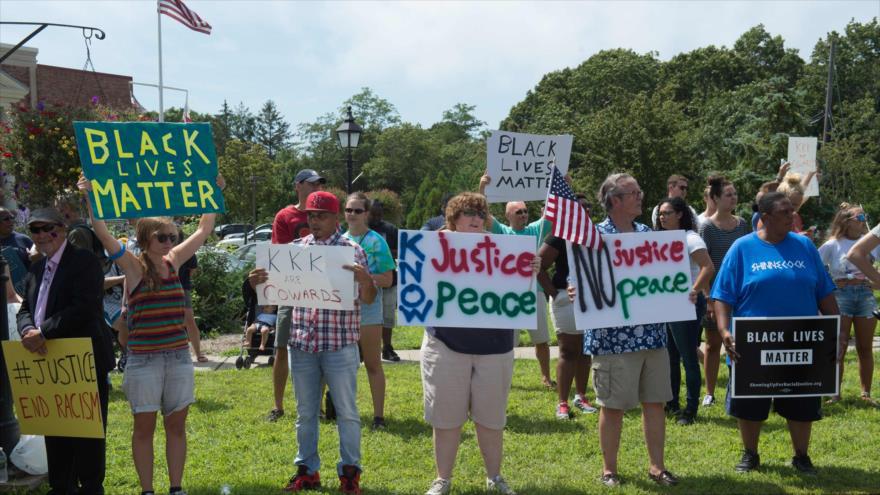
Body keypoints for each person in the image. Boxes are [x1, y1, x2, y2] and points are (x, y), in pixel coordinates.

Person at [78, 175, 221, 495]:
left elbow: (203, 229)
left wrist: (213, 190)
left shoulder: (175, 261)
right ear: (145, 239)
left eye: (172, 235)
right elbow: (101, 232)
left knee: (176, 426)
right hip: (144, 360)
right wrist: (90, 195)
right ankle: (147, 490)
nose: (170, 241)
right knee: (144, 428)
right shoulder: (133, 266)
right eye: (162, 236)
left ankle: (175, 488)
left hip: (178, 357)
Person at [712, 191, 838, 475]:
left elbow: (824, 291)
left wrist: (836, 328)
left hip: (801, 343)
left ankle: (801, 456)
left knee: (802, 401)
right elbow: (723, 295)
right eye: (784, 212)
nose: (791, 216)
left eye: (792, 211)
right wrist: (723, 330)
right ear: (765, 218)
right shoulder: (742, 248)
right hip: (753, 343)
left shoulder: (805, 246)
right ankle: (751, 454)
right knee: (750, 404)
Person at [423, 192, 534, 495]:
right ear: (453, 219)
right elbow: (418, 259)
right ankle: (442, 479)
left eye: (480, 213)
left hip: (495, 347)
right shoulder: (435, 243)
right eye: (467, 213)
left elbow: (517, 295)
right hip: (445, 344)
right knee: (446, 417)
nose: (475, 218)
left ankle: (495, 477)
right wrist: (446, 237)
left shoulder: (504, 250)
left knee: (491, 417)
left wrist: (528, 270)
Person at [267, 190, 375, 494]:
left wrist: (365, 280)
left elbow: (368, 299)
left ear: (335, 217)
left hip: (340, 344)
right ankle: (306, 470)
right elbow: (277, 292)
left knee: (347, 412)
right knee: (305, 412)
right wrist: (261, 283)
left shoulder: (351, 251)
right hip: (302, 343)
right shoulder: (295, 250)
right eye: (311, 215)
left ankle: (350, 473)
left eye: (321, 215)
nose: (314, 221)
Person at [573, 173, 677, 487]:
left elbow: (662, 279)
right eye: (634, 192)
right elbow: (582, 281)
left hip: (652, 336)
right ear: (615, 200)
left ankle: (657, 467)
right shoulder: (592, 237)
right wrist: (575, 290)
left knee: (655, 402)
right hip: (611, 340)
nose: (640, 196)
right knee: (613, 406)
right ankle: (609, 470)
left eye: (639, 191)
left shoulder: (648, 234)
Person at [16, 207, 114, 495]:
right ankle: (61, 486)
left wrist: (43, 331)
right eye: (36, 229)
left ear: (63, 229)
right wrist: (26, 330)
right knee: (55, 431)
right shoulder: (35, 269)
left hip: (82, 360)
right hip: (48, 364)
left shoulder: (84, 261)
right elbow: (25, 308)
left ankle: (91, 487)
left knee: (86, 433)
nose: (44, 235)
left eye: (50, 229)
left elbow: (84, 306)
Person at [479, 174, 555, 390]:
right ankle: (505, 379)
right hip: (509, 294)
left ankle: (546, 377)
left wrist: (563, 184)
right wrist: (483, 186)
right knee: (507, 342)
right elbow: (481, 212)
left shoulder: (536, 230)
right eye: (518, 212)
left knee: (541, 339)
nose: (523, 215)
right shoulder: (501, 231)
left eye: (525, 211)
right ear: (508, 216)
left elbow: (552, 209)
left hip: (535, 291)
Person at [268, 168, 326, 422]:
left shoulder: (326, 216)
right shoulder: (285, 216)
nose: (316, 188)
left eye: (319, 185)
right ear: (298, 186)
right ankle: (278, 406)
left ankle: (318, 406)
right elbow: (279, 254)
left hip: (319, 292)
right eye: (312, 184)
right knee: (281, 347)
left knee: (320, 348)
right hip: (291, 291)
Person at [655, 197, 715, 425]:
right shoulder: (660, 239)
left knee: (688, 357)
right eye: (661, 213)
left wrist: (695, 289)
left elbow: (708, 267)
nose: (662, 217)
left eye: (667, 213)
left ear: (680, 214)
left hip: (686, 304)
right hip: (666, 303)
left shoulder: (690, 238)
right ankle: (672, 403)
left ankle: (690, 408)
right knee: (669, 356)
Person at [537, 194, 597, 420]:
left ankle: (581, 396)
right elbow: (539, 265)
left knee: (585, 350)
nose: (584, 211)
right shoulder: (559, 236)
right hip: (566, 298)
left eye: (587, 207)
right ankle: (562, 402)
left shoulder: (594, 235)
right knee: (568, 350)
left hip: (591, 299)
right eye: (579, 208)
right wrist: (554, 293)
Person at [343, 192, 396, 429]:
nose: (352, 215)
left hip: (369, 308)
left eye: (357, 210)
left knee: (373, 364)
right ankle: (336, 410)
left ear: (367, 214)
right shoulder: (339, 241)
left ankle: (378, 417)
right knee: (341, 365)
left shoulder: (377, 241)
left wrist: (365, 278)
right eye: (348, 210)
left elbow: (388, 279)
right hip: (342, 310)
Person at [819, 204, 879, 405]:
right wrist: (832, 283)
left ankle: (866, 393)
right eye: (859, 218)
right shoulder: (832, 244)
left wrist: (874, 281)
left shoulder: (871, 243)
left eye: (864, 218)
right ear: (846, 222)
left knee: (865, 347)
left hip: (865, 295)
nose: (863, 222)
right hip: (841, 296)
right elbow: (816, 268)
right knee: (839, 345)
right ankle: (834, 393)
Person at [699, 175, 750, 407]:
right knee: (713, 343)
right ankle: (709, 392)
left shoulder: (742, 224)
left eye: (735, 194)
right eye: (728, 195)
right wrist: (708, 298)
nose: (733, 198)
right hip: (716, 294)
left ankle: (740, 384)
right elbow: (703, 264)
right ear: (715, 198)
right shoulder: (706, 228)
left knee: (740, 341)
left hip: (741, 294)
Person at [366, 199, 401, 362]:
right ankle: (362, 347)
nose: (377, 217)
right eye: (374, 214)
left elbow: (401, 250)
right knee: (366, 316)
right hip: (365, 281)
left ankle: (387, 347)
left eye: (380, 214)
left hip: (388, 281)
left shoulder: (390, 229)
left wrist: (383, 251)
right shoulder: (360, 229)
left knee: (387, 317)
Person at [176, 229, 206, 362]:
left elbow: (193, 269)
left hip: (182, 288)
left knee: (189, 320)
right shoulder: (161, 250)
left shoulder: (187, 251)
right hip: (165, 289)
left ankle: (198, 353)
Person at [0, 205, 33, 296]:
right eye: (6, 219)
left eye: (12, 217)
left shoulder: (24, 239)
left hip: (27, 292)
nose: (11, 221)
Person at [774, 171, 817, 237]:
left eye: (797, 205)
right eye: (791, 204)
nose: (793, 208)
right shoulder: (770, 219)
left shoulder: (794, 216)